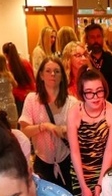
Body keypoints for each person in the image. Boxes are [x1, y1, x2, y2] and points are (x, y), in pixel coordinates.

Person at [19, 57, 76, 188]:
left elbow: (79, 133)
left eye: (57, 71)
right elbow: (25, 131)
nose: (52, 74)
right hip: (42, 161)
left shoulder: (72, 102)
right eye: (48, 71)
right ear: (41, 75)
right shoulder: (32, 100)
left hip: (67, 161)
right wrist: (45, 126)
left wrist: (67, 131)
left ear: (62, 76)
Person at [67, 69, 112, 196]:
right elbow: (74, 152)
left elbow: (109, 152)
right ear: (82, 93)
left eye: (99, 91)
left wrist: (100, 183)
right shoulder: (74, 113)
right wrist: (83, 185)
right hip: (80, 169)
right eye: (89, 92)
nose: (95, 97)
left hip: (105, 167)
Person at [83, 23, 112, 111]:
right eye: (92, 37)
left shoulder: (111, 60)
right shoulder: (83, 60)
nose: (96, 40)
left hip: (109, 109)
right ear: (87, 40)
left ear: (102, 38)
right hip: (88, 110)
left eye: (98, 36)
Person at [2, 42, 36, 116]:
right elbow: (32, 80)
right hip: (29, 95)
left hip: (17, 99)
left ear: (5, 55)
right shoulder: (26, 63)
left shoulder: (8, 67)